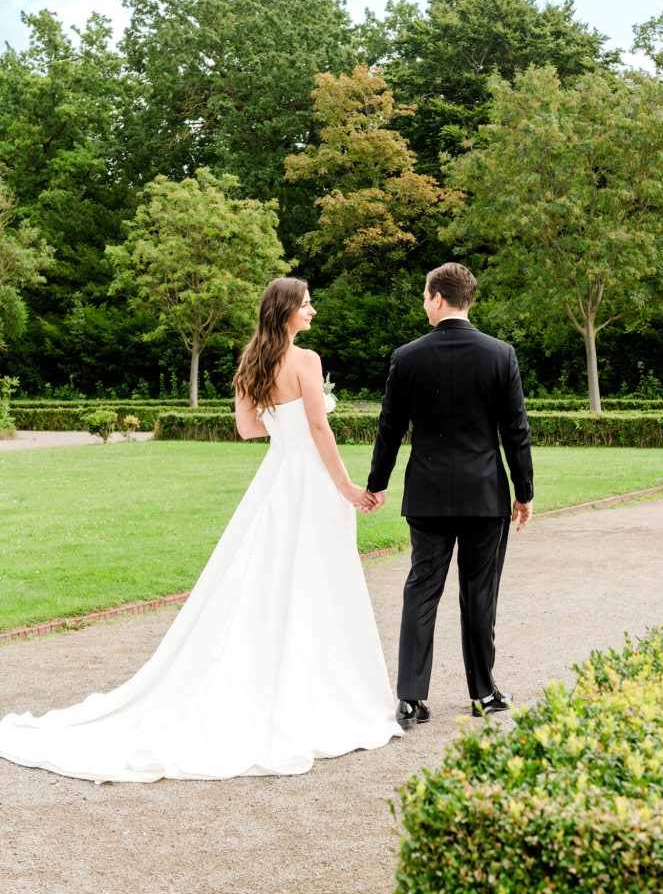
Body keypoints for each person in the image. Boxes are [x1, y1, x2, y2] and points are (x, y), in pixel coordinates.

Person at [0, 277, 402, 783]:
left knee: (266, 573)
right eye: (306, 305)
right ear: (286, 311)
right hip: (313, 483)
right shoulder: (307, 360)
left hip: (277, 478)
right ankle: (321, 687)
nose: (312, 311)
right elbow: (319, 428)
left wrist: (285, 423)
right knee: (318, 577)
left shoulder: (251, 362)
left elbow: (247, 429)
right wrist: (344, 484)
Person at [365, 263, 534, 727]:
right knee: (480, 594)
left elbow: (389, 428)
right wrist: (524, 492)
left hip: (428, 494)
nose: (424, 303)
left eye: (425, 296)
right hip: (484, 495)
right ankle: (484, 693)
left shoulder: (408, 357)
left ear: (438, 297)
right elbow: (516, 431)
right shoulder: (500, 354)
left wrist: (377, 483)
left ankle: (410, 699)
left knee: (422, 589)